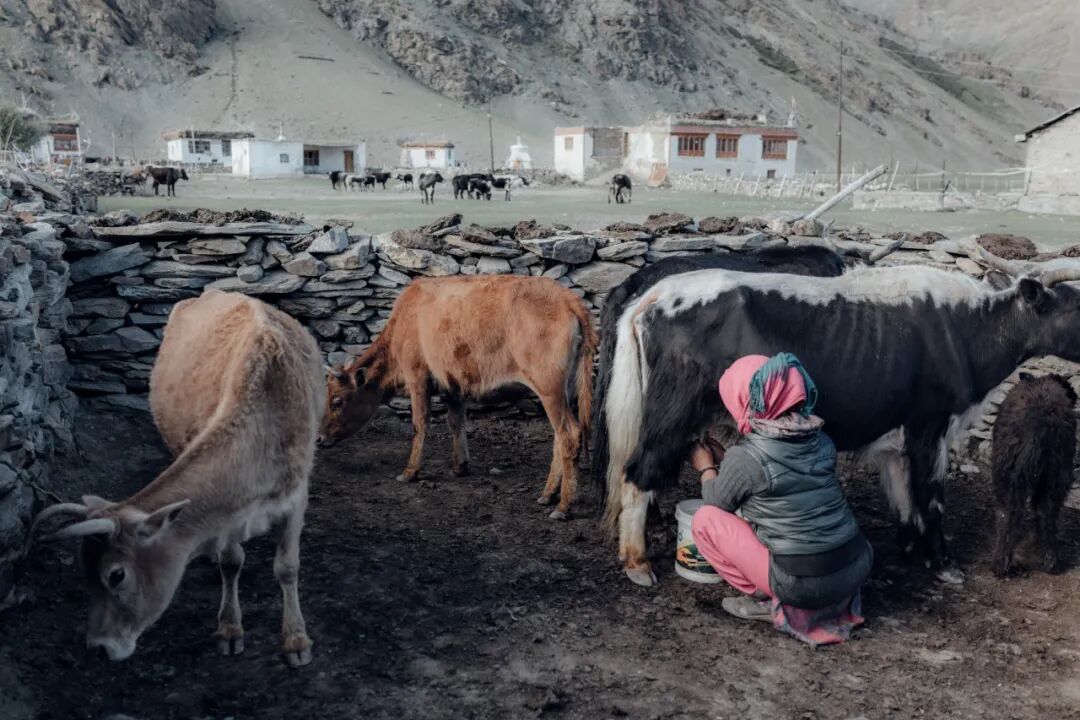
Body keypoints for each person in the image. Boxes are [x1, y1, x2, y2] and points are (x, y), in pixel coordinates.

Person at [688, 352, 872, 646]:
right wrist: (729, 460)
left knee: (705, 520)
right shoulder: (822, 440)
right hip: (853, 568)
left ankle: (769, 602)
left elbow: (715, 500)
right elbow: (781, 478)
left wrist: (705, 467)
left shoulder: (747, 458)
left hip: (800, 584)